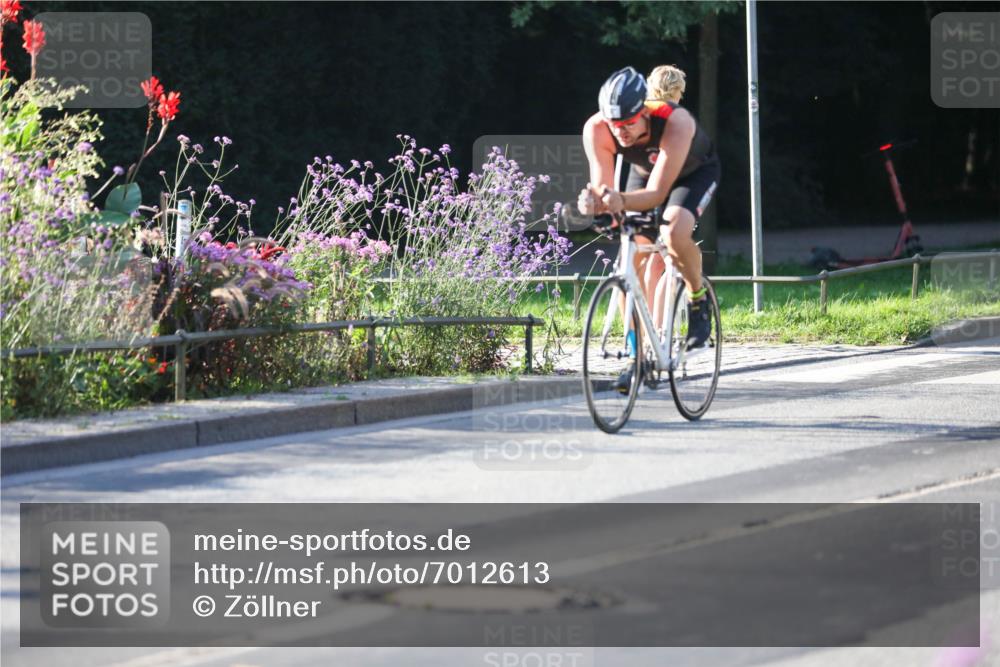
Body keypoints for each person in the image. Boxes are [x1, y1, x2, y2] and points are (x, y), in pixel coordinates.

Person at [577, 66, 720, 390]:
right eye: (615, 126)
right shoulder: (598, 129)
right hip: (645, 173)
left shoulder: (675, 122)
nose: (621, 133)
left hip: (692, 174)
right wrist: (595, 204)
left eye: (628, 124)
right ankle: (636, 355)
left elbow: (657, 194)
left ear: (644, 110)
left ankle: (698, 299)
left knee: (673, 231)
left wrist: (619, 200)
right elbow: (603, 187)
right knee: (632, 256)